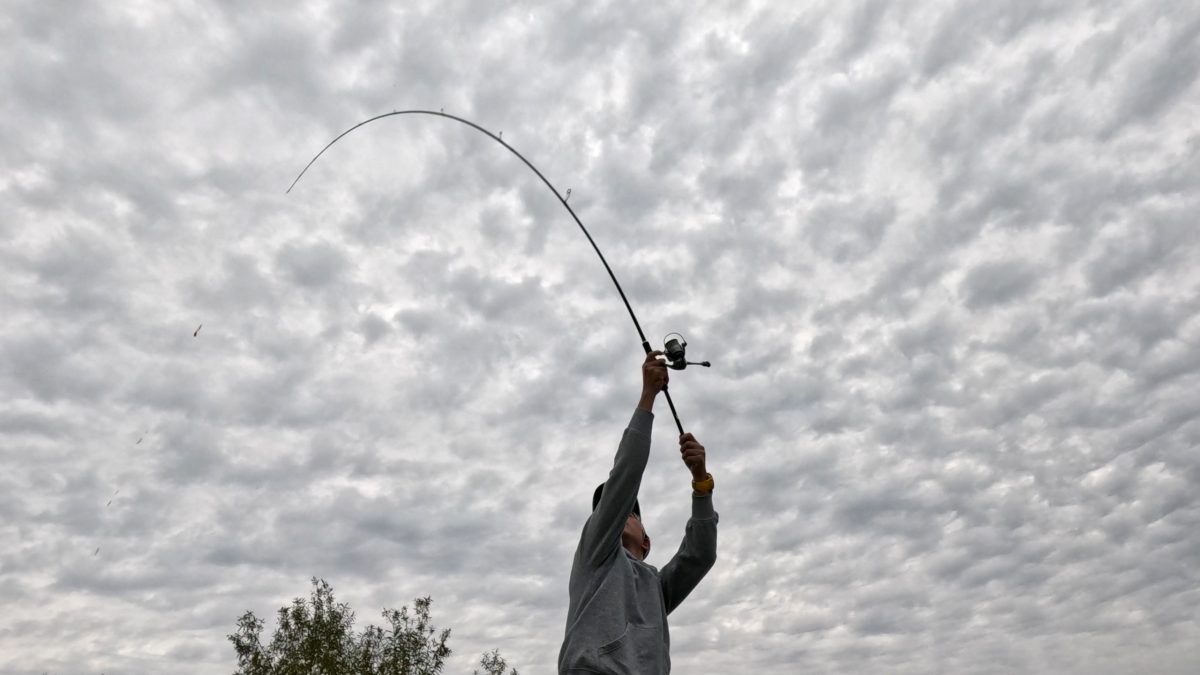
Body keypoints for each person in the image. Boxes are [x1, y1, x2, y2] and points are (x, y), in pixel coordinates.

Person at [558, 351, 719, 674]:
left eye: (631, 514)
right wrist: (648, 395)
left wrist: (701, 481)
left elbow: (700, 555)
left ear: (646, 542)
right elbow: (625, 476)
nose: (620, 514)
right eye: (616, 510)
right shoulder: (596, 555)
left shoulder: (655, 588)